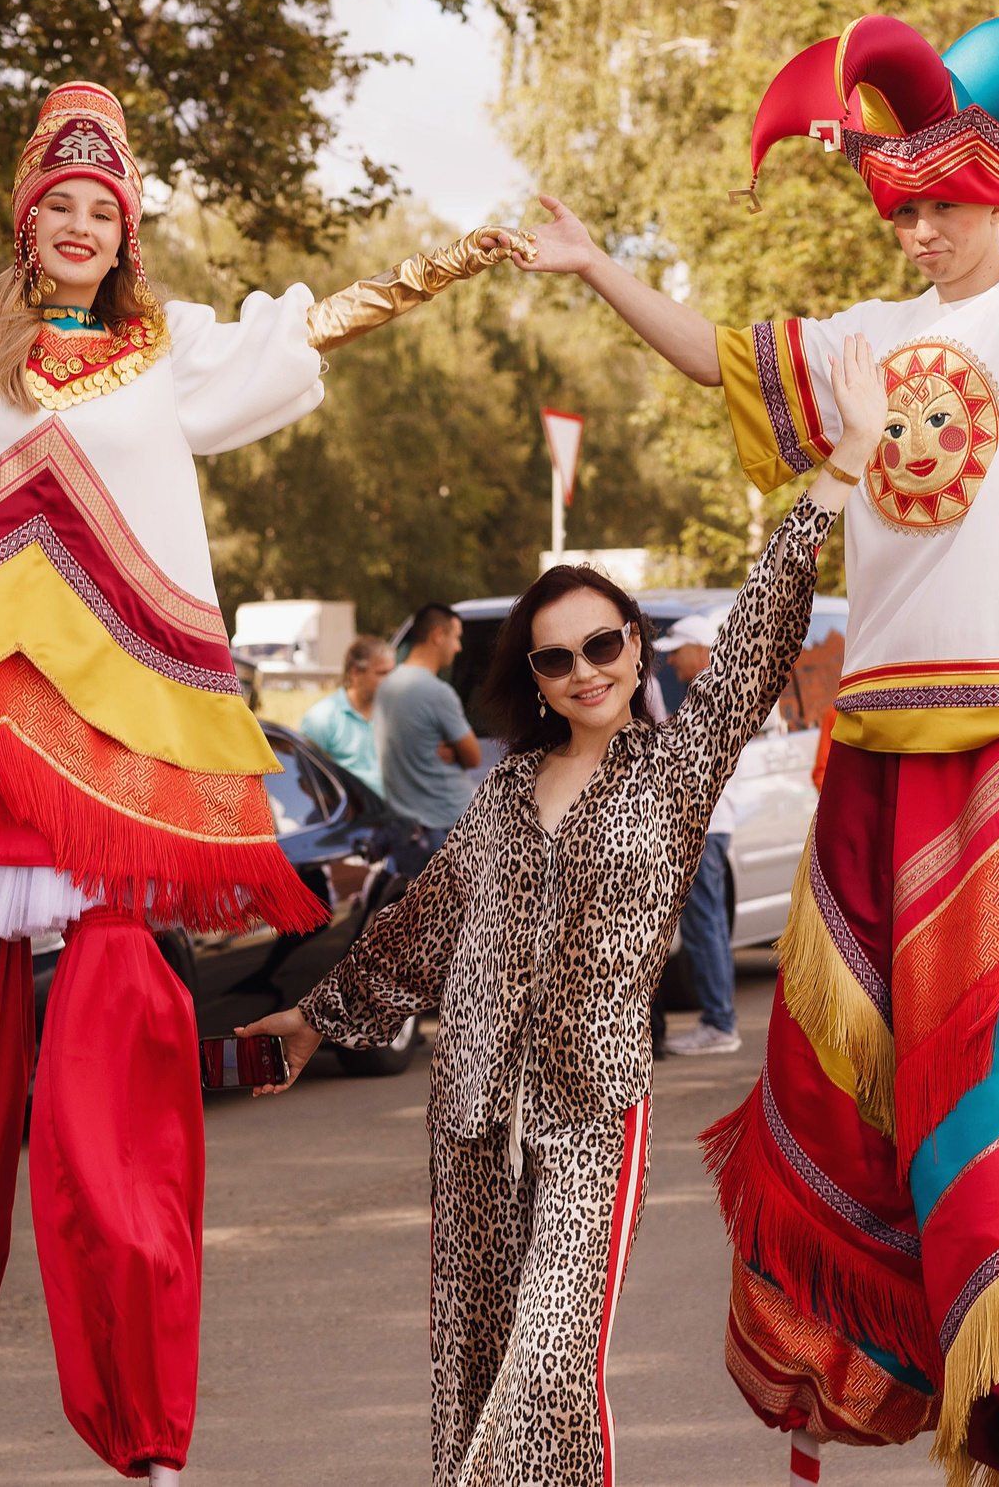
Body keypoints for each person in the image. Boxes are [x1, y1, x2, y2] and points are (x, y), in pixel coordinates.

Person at [0, 12, 531, 1486]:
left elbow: (307, 329)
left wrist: (457, 256)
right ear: (27, 218)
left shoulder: (166, 361)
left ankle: (144, 1448)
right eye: (56, 204)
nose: (76, 226)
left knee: (113, 1145)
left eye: (101, 209)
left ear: (124, 233)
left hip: (115, 793)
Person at [517, 0, 999, 1487]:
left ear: (991, 198)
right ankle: (850, 1375)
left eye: (942, 209)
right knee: (847, 1085)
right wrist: (599, 265)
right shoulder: (865, 339)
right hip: (874, 753)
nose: (922, 235)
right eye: (902, 216)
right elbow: (715, 358)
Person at [239, 338, 885, 1487]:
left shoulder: (674, 771)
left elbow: (756, 634)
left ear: (634, 646)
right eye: (555, 659)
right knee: (473, 1365)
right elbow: (423, 926)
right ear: (529, 679)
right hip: (471, 1106)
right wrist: (309, 1021)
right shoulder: (496, 793)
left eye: (601, 643)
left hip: (593, 1111)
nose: (584, 669)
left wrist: (832, 475)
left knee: (548, 1366)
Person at [656, 613, 743, 1056]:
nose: (670, 662)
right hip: (711, 823)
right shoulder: (714, 691)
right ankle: (718, 1021)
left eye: (676, 652)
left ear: (700, 649)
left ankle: (718, 1024)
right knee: (706, 924)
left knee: (704, 925)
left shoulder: (711, 694)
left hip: (705, 824)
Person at [376, 604, 483, 867]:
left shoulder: (386, 686)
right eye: (456, 637)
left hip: (409, 829)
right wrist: (457, 749)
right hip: (449, 825)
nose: (458, 647)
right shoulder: (437, 692)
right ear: (438, 636)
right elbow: (474, 757)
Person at [300, 634, 394, 791]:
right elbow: (307, 779)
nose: (391, 680)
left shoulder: (393, 713)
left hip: (395, 811)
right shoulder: (322, 718)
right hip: (352, 813)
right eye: (382, 673)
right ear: (355, 673)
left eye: (392, 672)